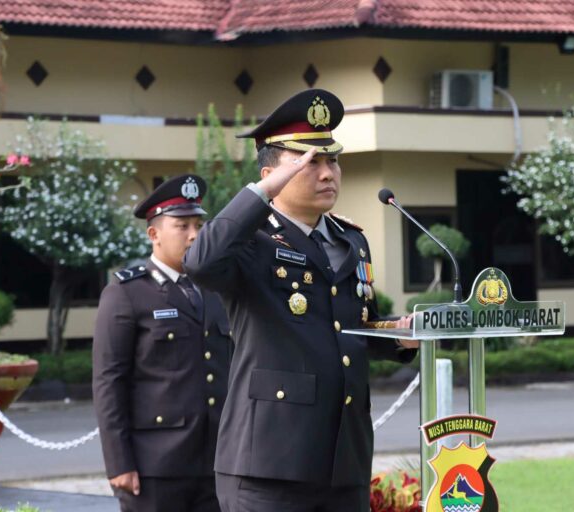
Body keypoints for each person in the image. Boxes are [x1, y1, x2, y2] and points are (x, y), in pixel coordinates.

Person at [183, 89, 418, 511]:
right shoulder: (249, 241)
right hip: (269, 464)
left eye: (333, 160)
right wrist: (262, 192)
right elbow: (200, 262)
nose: (328, 173)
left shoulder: (351, 241)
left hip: (343, 459)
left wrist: (401, 336)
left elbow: (351, 329)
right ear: (273, 172)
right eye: (311, 163)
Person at [93, 174, 232, 512]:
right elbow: (109, 382)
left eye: (198, 224)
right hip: (155, 465)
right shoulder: (126, 293)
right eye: (182, 226)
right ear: (154, 234)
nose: (195, 234)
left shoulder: (215, 290)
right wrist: (119, 463)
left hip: (217, 460)